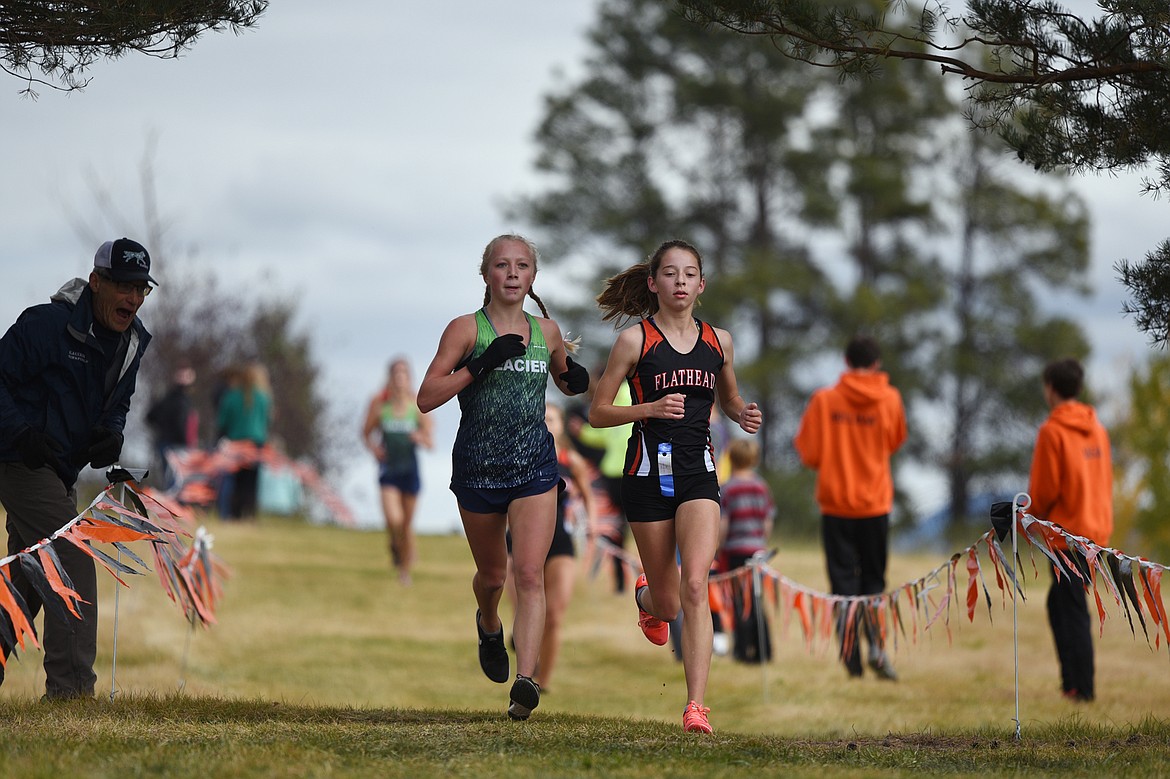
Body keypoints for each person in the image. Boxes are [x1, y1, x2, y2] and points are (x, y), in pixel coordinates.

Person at [589, 239, 762, 735]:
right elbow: (599, 413)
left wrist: (742, 414)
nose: (680, 281)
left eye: (689, 274)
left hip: (698, 474)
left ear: (701, 285)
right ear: (653, 283)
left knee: (695, 585)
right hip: (645, 477)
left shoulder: (719, 341)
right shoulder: (633, 342)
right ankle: (647, 600)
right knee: (668, 602)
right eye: (670, 273)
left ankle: (696, 707)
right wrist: (648, 408)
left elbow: (728, 399)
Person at [417, 233, 589, 721]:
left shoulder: (547, 331)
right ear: (486, 274)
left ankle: (526, 683)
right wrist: (479, 365)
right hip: (478, 468)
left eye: (521, 266)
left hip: (535, 466)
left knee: (529, 574)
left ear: (533, 276)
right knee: (494, 575)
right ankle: (488, 622)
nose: (512, 274)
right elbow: (426, 397)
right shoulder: (465, 330)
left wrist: (574, 379)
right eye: (501, 265)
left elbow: (562, 373)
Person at [0, 237, 155, 699]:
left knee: (28, 576)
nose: (132, 299)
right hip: (17, 459)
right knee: (71, 555)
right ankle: (71, 695)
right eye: (123, 286)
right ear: (96, 282)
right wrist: (21, 435)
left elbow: (117, 405)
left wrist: (111, 433)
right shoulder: (46, 325)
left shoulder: (132, 342)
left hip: (59, 472)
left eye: (141, 289)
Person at [793, 335, 906, 680]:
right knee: (874, 579)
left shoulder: (824, 401)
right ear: (876, 364)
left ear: (845, 361)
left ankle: (850, 659)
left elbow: (809, 454)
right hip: (875, 504)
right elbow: (895, 441)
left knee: (842, 583)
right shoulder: (890, 399)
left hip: (836, 504)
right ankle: (877, 646)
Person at [1027, 357, 1113, 702]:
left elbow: (1045, 490)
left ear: (1050, 388)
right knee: (1060, 601)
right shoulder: (1097, 428)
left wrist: (1028, 518)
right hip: (1094, 531)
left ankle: (1081, 688)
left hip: (1066, 535)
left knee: (1071, 607)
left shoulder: (1053, 431)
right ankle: (1072, 683)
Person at [502, 403, 597, 693]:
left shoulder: (572, 461)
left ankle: (542, 682)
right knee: (523, 608)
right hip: (519, 539)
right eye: (541, 418)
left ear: (561, 424)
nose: (546, 422)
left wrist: (591, 524)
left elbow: (589, 497)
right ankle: (527, 658)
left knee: (554, 615)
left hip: (560, 541)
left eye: (551, 418)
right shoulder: (518, 456)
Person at [362, 357, 434, 585]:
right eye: (396, 376)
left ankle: (404, 571)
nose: (400, 381)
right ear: (390, 379)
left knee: (406, 525)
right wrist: (374, 450)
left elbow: (430, 441)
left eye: (404, 376)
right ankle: (394, 543)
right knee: (395, 519)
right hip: (389, 471)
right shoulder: (380, 406)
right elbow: (365, 433)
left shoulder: (417, 407)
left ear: (409, 380)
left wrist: (419, 438)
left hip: (410, 472)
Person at [719, 438, 775, 663]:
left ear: (731, 459)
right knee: (757, 600)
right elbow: (768, 520)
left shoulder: (728, 488)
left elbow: (723, 523)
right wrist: (761, 541)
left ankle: (742, 650)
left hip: (735, 551)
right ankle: (764, 650)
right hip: (757, 551)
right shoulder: (761, 487)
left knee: (740, 602)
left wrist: (718, 547)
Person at [216, 361, 272, 520]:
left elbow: (222, 422)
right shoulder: (263, 398)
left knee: (236, 480)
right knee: (251, 481)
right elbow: (267, 421)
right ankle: (249, 514)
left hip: (236, 442)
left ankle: (234, 513)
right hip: (256, 443)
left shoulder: (231, 396)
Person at [145, 365, 198, 491]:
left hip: (165, 442)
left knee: (169, 479)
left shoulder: (167, 398)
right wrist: (185, 442)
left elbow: (150, 416)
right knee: (176, 482)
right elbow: (180, 422)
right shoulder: (182, 400)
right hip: (178, 445)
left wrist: (162, 427)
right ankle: (171, 508)